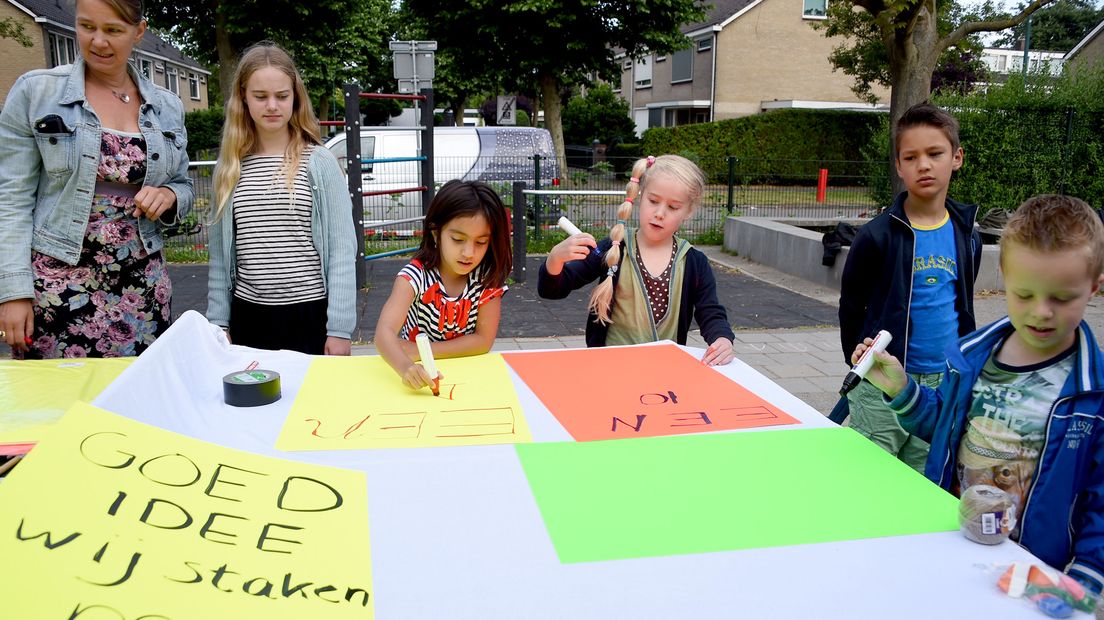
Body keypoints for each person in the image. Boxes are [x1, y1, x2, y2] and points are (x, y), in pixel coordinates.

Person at [855, 194, 1104, 595]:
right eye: (1025, 294)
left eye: (1061, 298)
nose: (1041, 311)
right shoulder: (972, 357)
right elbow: (945, 429)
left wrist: (1087, 579)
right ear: (1003, 274)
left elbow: (1101, 500)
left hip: (1030, 563)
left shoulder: (1094, 392)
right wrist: (901, 389)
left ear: (1095, 286)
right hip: (949, 541)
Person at [0, 0, 193, 358]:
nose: (99, 41)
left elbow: (184, 185)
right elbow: (10, 199)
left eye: (113, 30)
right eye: (87, 27)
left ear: (138, 31)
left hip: (142, 286)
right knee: (57, 405)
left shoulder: (168, 106)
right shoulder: (36, 93)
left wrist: (168, 195)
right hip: (56, 289)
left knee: (137, 402)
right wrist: (13, 292)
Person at [833, 102, 982, 471]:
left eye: (935, 154)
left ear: (957, 157)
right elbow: (851, 304)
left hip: (940, 384)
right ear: (899, 166)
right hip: (884, 377)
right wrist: (860, 358)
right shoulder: (876, 235)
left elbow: (961, 300)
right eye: (911, 157)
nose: (924, 165)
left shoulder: (967, 234)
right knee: (871, 475)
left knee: (923, 475)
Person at [206, 42, 356, 355]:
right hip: (249, 317)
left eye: (282, 96)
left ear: (295, 98)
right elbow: (220, 258)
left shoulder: (320, 162)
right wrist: (218, 325)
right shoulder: (229, 168)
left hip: (310, 316)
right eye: (260, 97)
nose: (272, 105)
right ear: (244, 98)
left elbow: (342, 248)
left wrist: (340, 329)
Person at [537, 154, 734, 366]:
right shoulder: (613, 248)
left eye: (673, 207)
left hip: (665, 371)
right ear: (640, 197)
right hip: (609, 369)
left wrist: (722, 339)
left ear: (689, 211)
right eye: (653, 201)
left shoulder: (694, 262)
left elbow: (710, 311)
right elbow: (553, 289)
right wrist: (555, 259)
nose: (659, 213)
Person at [374, 180, 512, 389]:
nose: (468, 253)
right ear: (435, 232)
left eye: (481, 242)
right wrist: (406, 367)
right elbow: (383, 332)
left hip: (469, 377)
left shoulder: (486, 279)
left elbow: (483, 341)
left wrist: (420, 350)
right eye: (458, 239)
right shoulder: (414, 277)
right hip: (417, 372)